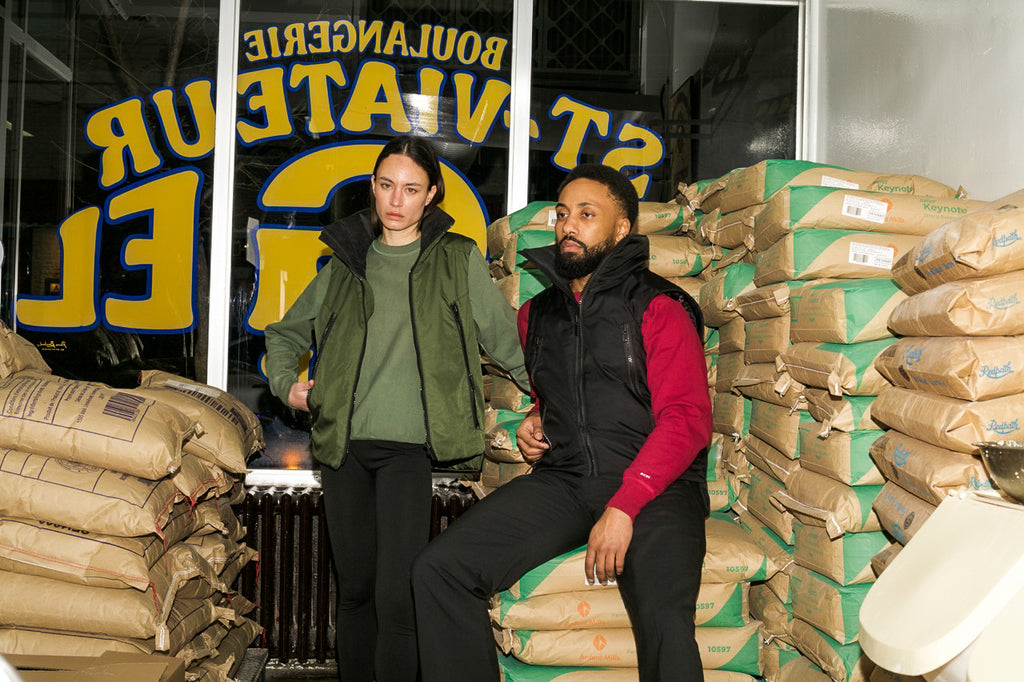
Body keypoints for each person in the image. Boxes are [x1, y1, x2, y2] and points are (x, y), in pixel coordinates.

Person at [412, 163, 712, 681]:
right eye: (562, 213)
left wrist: (625, 505)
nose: (568, 225)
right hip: (568, 480)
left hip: (656, 487)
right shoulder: (538, 313)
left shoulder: (660, 307)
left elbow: (686, 419)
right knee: (438, 569)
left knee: (665, 618)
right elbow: (563, 388)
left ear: (621, 230)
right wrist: (538, 418)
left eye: (587, 214)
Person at [264, 135, 528, 682]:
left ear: (431, 195)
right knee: (356, 591)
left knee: (397, 594)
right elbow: (286, 332)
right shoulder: (343, 263)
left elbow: (505, 340)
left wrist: (553, 396)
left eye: (410, 189)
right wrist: (285, 383)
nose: (395, 200)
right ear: (373, 187)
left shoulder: (456, 259)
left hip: (408, 451)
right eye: (386, 185)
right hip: (343, 447)